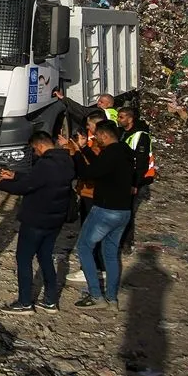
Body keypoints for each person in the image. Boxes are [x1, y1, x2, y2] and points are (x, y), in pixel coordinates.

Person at [60, 121, 143, 309]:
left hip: (105, 210)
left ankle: (96, 295)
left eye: (97, 135)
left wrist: (76, 154)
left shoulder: (111, 154)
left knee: (84, 247)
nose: (95, 139)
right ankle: (112, 298)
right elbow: (100, 166)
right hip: (123, 211)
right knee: (111, 254)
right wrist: (83, 149)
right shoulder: (124, 151)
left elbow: (88, 172)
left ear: (105, 135)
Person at [0, 131, 76, 313]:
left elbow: (27, 186)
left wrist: (1, 183)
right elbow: (37, 180)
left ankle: (25, 302)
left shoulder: (45, 165)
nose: (35, 153)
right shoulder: (67, 160)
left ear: (39, 145)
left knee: (24, 259)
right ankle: (50, 300)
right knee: (45, 257)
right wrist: (14, 175)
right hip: (56, 219)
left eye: (34, 149)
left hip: (36, 219)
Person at [66, 111, 107, 283]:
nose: (87, 129)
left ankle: (89, 269)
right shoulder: (106, 144)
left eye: (89, 126)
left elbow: (86, 168)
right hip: (97, 193)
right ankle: (101, 267)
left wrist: (76, 150)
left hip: (91, 193)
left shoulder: (98, 146)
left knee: (89, 233)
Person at [117, 106, 156, 254]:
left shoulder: (141, 136)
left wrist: (135, 184)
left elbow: (141, 163)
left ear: (130, 119)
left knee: (128, 212)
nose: (118, 120)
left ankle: (127, 243)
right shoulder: (122, 132)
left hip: (137, 181)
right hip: (125, 178)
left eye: (121, 117)